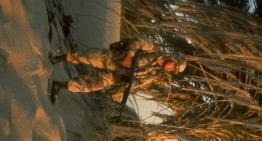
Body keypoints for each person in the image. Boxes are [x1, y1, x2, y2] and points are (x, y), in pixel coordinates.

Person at [49, 35, 186, 103]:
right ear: (172, 58)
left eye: (173, 70)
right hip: (113, 59)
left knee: (88, 85)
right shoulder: (154, 49)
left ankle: (58, 86)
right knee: (83, 57)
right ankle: (56, 59)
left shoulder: (155, 74)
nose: (170, 69)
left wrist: (129, 85)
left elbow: (140, 82)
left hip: (115, 76)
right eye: (173, 66)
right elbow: (138, 39)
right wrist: (130, 54)